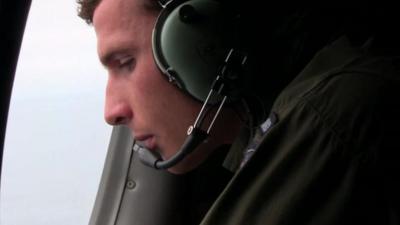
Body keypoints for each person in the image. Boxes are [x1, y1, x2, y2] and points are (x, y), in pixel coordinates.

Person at [77, 0, 400, 224]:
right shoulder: (266, 132)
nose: (112, 112)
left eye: (125, 63)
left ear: (200, 40)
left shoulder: (334, 115)